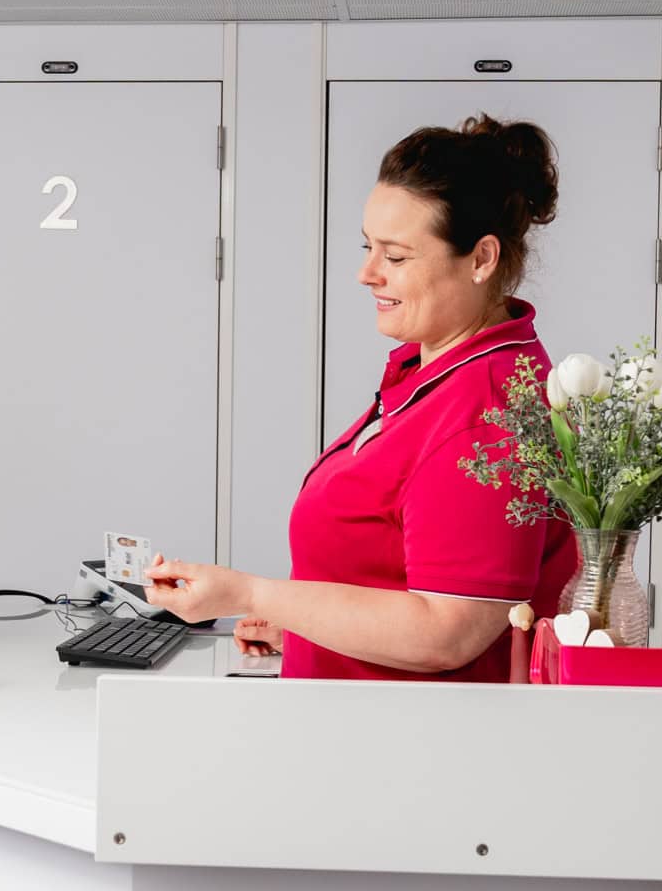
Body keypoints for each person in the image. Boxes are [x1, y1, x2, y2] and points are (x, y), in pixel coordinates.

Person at [145, 116, 577, 680]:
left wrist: (251, 594)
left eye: (395, 258)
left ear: (480, 259)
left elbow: (449, 631)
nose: (366, 273)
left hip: (410, 751)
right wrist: (305, 626)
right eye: (368, 248)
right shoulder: (433, 374)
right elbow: (396, 573)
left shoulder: (484, 412)